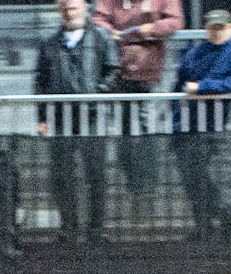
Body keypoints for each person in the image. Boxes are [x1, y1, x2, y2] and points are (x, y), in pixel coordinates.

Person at [34, 0, 120, 244]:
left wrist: (96, 95)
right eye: (65, 8)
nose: (69, 12)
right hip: (60, 118)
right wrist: (42, 117)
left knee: (96, 175)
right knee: (61, 175)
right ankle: (69, 228)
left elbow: (113, 72)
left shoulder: (102, 39)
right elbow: (40, 80)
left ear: (85, 8)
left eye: (73, 7)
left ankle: (96, 230)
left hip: (92, 118)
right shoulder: (49, 43)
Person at [171, 9, 231, 242]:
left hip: (213, 121)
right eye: (212, 28)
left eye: (220, 28)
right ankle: (210, 219)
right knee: (190, 174)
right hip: (188, 120)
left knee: (198, 171)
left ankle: (221, 213)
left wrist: (202, 87)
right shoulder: (198, 50)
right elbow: (181, 82)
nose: (216, 32)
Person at [91, 0, 183, 193]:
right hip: (118, 71)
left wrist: (153, 28)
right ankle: (131, 182)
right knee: (123, 129)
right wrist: (109, 31)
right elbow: (97, 18)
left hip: (152, 73)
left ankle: (150, 183)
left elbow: (176, 21)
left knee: (149, 129)